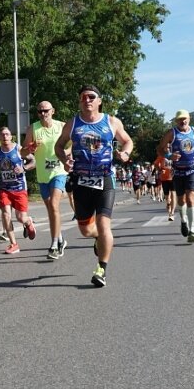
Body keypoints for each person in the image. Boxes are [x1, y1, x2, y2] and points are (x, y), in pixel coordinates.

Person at [55, 85, 133, 287]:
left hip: (105, 179)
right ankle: (97, 237)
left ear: (99, 101)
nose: (87, 100)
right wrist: (64, 159)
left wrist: (125, 153)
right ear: (80, 102)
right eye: (83, 97)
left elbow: (127, 141)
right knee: (86, 230)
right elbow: (58, 145)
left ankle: (101, 269)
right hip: (81, 181)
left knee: (104, 224)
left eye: (91, 97)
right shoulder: (72, 124)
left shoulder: (111, 122)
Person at [21, 101, 69, 260]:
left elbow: (72, 144)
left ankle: (54, 245)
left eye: (46, 111)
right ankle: (61, 239)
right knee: (50, 209)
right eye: (40, 111)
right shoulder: (33, 128)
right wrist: (31, 148)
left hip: (58, 172)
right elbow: (22, 152)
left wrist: (65, 153)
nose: (43, 114)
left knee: (54, 205)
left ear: (52, 111)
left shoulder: (62, 126)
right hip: (43, 175)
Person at [157, 109, 194, 243]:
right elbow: (160, 149)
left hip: (192, 169)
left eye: (185, 119)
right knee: (181, 200)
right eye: (179, 119)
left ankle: (192, 230)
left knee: (190, 198)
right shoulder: (171, 133)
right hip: (178, 171)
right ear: (176, 121)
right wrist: (168, 156)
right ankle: (183, 221)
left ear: (189, 119)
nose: (182, 121)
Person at [0, 127, 36, 254]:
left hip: (19, 188)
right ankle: (14, 244)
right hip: (4, 188)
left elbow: (33, 161)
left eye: (7, 134)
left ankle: (28, 222)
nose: (5, 137)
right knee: (6, 214)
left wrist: (24, 168)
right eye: (2, 134)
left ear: (11, 137)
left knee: (21, 218)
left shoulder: (18, 149)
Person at [153, 149, 175, 221]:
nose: (167, 148)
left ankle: (171, 213)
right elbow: (155, 164)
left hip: (173, 178)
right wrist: (160, 170)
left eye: (169, 147)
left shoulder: (174, 155)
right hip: (164, 178)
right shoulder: (161, 156)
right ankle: (168, 205)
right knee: (167, 198)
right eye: (166, 147)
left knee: (173, 194)